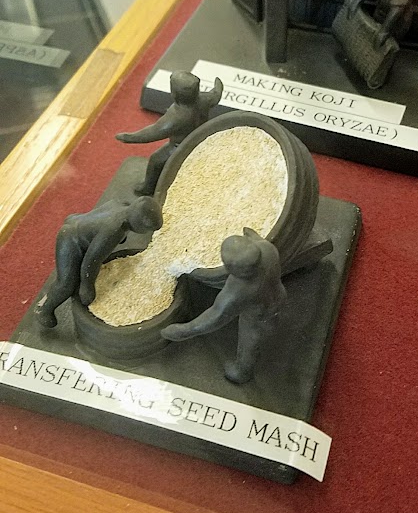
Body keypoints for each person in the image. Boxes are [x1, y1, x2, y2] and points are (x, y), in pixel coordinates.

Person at [162, 229, 286, 384]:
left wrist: (184, 331)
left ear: (232, 268)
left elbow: (215, 316)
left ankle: (242, 371)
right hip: (278, 295)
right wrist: (249, 234)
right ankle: (272, 323)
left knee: (250, 341)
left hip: (258, 315)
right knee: (270, 320)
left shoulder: (238, 290)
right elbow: (254, 236)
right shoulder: (267, 249)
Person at [36, 197, 163, 328]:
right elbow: (91, 261)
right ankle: (44, 309)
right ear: (138, 224)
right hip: (71, 239)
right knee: (67, 284)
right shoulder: (114, 231)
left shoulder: (122, 203)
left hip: (78, 221)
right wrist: (87, 285)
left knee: (75, 274)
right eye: (147, 229)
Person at [116, 72, 223, 196]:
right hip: (201, 140)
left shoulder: (176, 116)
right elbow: (216, 94)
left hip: (180, 146)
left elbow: (153, 132)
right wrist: (218, 83)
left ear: (174, 93)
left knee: (156, 160)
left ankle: (147, 188)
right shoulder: (204, 99)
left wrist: (129, 137)